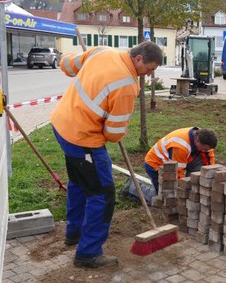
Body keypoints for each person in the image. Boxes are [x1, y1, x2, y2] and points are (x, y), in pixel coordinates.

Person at [51, 42, 163, 268]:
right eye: (149, 69)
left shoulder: (103, 51)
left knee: (79, 182)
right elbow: (113, 134)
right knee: (102, 194)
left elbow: (68, 65)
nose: (149, 75)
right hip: (82, 138)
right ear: (139, 58)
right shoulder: (127, 86)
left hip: (61, 125)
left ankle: (74, 233)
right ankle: (88, 253)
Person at [144, 127, 218, 192]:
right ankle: (135, 190)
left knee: (200, 157)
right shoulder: (181, 146)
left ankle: (193, 185)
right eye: (204, 149)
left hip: (181, 158)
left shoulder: (203, 136)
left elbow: (209, 157)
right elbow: (176, 172)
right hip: (155, 164)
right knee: (164, 193)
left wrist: (209, 176)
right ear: (197, 141)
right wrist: (183, 191)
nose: (205, 151)